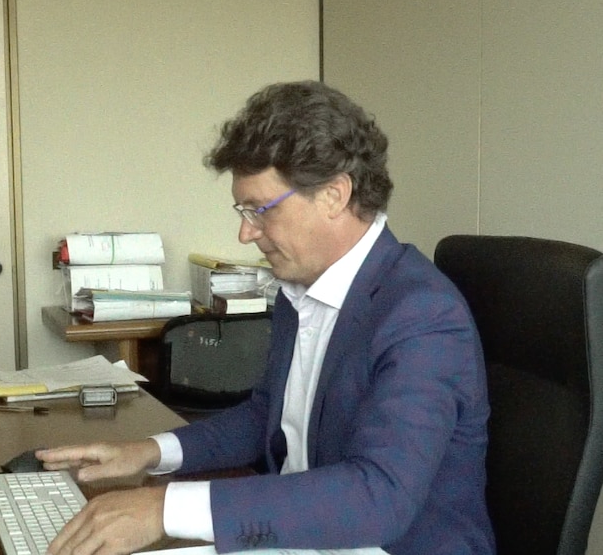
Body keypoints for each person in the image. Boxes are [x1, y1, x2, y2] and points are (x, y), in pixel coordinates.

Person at [37, 80, 495, 555]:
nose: (245, 232)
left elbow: (378, 496)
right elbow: (265, 419)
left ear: (334, 195)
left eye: (260, 210)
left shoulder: (422, 314)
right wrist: (150, 453)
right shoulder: (300, 289)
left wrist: (163, 507)